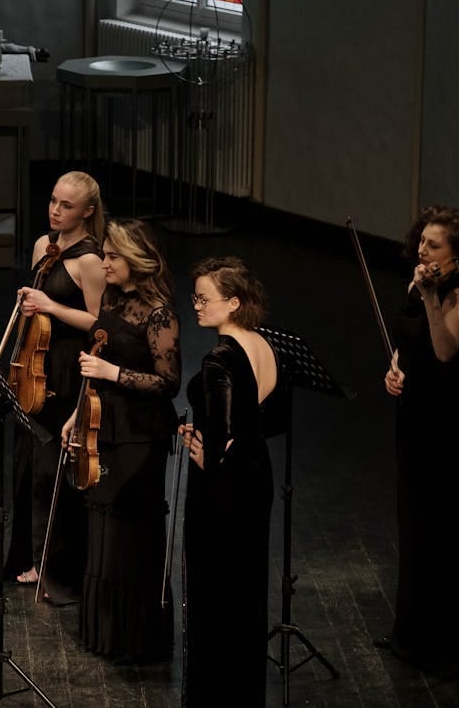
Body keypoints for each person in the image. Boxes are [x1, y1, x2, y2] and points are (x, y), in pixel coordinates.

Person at [378, 206, 459, 677]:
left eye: (434, 245)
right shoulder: (420, 284)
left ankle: (446, 646)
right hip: (413, 416)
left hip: (445, 426)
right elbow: (408, 341)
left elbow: (445, 350)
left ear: (457, 255)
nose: (422, 250)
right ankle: (411, 635)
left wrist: (431, 296)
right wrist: (394, 370)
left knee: (443, 531)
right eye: (422, 241)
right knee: (414, 524)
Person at [61, 219, 178, 662]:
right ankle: (104, 632)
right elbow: (98, 362)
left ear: (136, 260)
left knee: (131, 534)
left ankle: (136, 638)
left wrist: (113, 374)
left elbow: (168, 382)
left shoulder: (159, 314)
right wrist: (77, 414)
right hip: (104, 425)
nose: (104, 263)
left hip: (140, 436)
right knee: (102, 531)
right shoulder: (112, 299)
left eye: (112, 256)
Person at [179, 256, 279, 706]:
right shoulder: (265, 344)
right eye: (196, 297)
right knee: (245, 591)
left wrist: (206, 450)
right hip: (257, 475)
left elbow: (219, 437)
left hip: (223, 487)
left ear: (234, 302)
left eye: (205, 299)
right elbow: (265, 419)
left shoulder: (219, 358)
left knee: (215, 594)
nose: (196, 306)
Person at [6, 171, 106, 605]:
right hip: (34, 364)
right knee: (29, 467)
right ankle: (31, 557)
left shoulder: (91, 260)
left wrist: (50, 305)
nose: (55, 210)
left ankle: (59, 569)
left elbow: (100, 323)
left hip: (65, 370)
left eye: (66, 205)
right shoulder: (42, 247)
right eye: (52, 201)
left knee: (53, 471)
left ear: (87, 211)